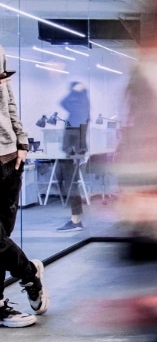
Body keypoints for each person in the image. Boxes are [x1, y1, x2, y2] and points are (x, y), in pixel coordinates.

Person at [0, 46, 49, 327]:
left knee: (1, 237)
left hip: (9, 160)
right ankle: (29, 273)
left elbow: (8, 102)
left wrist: (22, 141)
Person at [56, 81, 90, 232]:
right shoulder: (77, 113)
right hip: (72, 152)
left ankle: (76, 221)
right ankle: (75, 219)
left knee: (71, 185)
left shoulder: (81, 110)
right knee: (68, 184)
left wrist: (76, 92)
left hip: (74, 152)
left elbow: (64, 101)